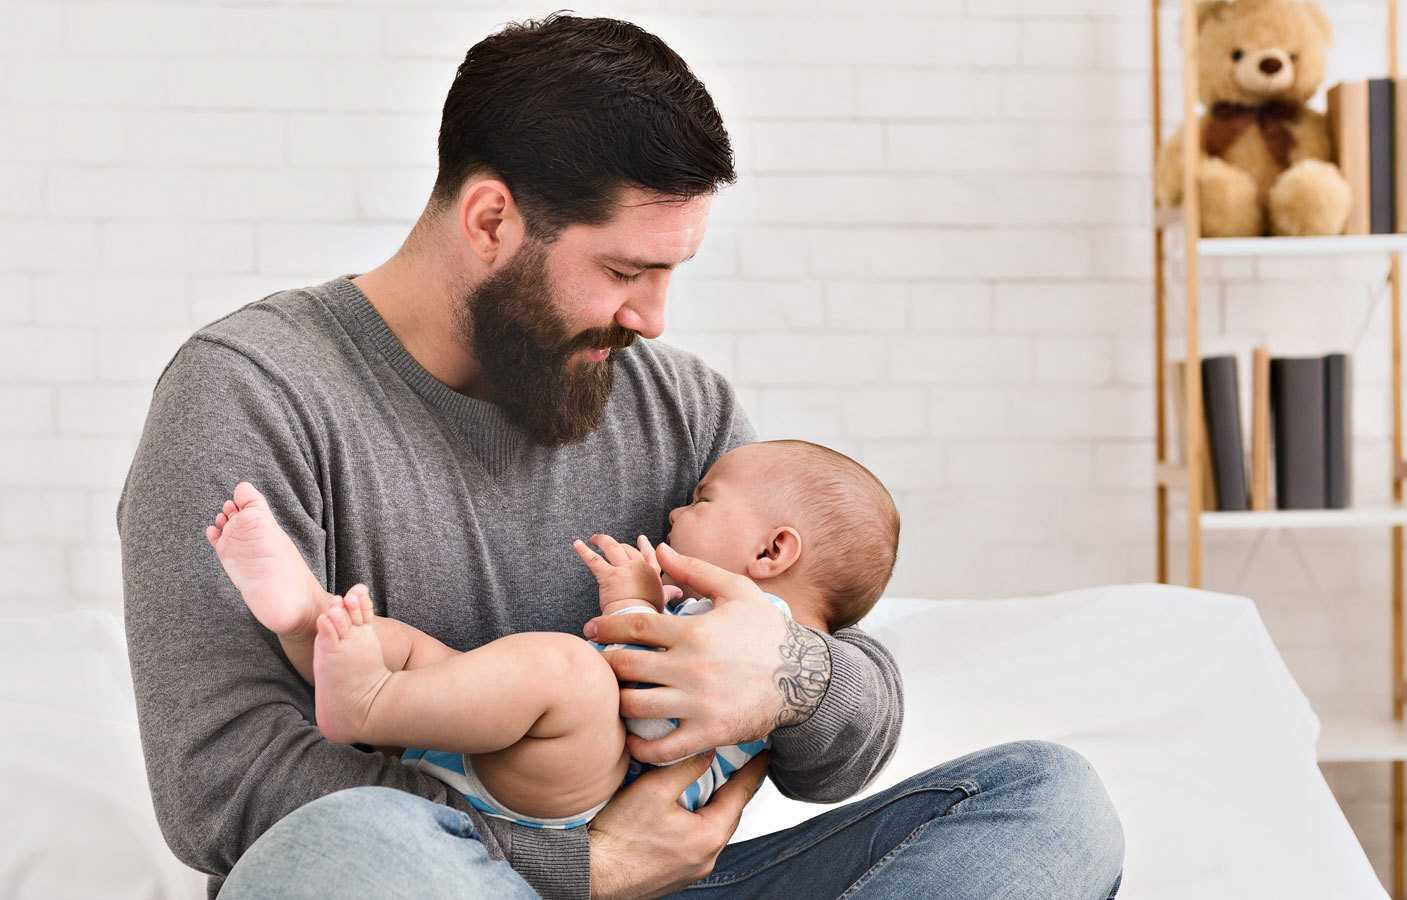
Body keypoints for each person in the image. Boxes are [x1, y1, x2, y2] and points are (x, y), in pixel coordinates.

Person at [118, 12, 1124, 899]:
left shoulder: (679, 406)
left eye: (671, 272)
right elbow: (221, 787)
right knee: (353, 845)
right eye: (624, 270)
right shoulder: (251, 389)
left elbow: (842, 736)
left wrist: (789, 672)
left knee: (1048, 803)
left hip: (665, 888)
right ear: (490, 220)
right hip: (419, 878)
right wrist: (586, 869)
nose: (650, 317)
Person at [203, 440, 899, 829]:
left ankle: (369, 706)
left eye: (702, 501)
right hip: (532, 776)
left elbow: (656, 733)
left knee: (567, 670)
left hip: (603, 797)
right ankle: (306, 617)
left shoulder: (763, 638)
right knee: (423, 655)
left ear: (772, 554)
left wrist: (634, 606)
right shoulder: (704, 609)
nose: (677, 510)